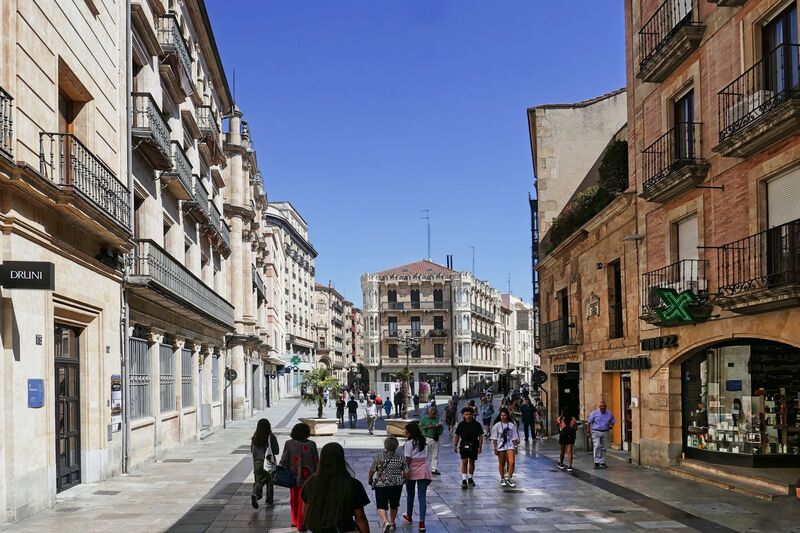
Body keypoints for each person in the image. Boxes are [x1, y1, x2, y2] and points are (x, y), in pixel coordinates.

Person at [301, 442, 370, 533]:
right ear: (341, 459)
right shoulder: (353, 485)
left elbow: (306, 510)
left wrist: (305, 526)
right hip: (344, 529)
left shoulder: (311, 483)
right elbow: (360, 518)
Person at [280, 423, 319, 529]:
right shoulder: (312, 444)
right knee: (304, 500)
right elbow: (316, 461)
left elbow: (283, 461)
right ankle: (301, 522)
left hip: (293, 477)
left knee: (294, 498)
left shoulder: (288, 444)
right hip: (308, 478)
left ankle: (294, 520)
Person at [369, 436, 408, 533]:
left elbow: (372, 470)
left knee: (381, 505)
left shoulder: (379, 456)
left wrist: (370, 479)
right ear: (396, 445)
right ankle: (392, 523)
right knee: (394, 504)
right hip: (396, 484)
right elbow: (406, 472)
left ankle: (385, 522)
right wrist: (404, 479)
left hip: (381, 483)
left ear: (385, 445)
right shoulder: (401, 457)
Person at [402, 422, 432, 532]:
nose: (404, 432)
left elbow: (408, 459)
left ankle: (409, 516)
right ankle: (422, 523)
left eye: (406, 431)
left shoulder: (409, 443)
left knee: (410, 494)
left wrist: (404, 470)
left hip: (411, 470)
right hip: (423, 469)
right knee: (422, 497)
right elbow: (426, 456)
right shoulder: (424, 441)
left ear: (410, 432)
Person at [250, 418, 279, 509]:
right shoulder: (271, 436)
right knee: (270, 482)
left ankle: (255, 494)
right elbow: (277, 451)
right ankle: (269, 501)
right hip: (268, 461)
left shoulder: (255, 436)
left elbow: (252, 450)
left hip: (257, 462)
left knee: (259, 480)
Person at [453, 408, 483, 489]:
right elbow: (457, 435)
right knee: (464, 462)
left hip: (474, 445)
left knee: (472, 462)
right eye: (466, 414)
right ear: (463, 415)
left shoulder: (477, 424)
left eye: (470, 414)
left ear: (473, 415)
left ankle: (470, 478)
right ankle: (464, 479)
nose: (468, 416)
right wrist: (455, 445)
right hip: (464, 445)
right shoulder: (461, 424)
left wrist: (480, 447)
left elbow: (480, 436)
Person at [490, 407, 520, 487]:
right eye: (501, 415)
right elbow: (494, 438)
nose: (503, 417)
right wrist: (495, 448)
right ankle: (502, 477)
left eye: (504, 415)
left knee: (512, 462)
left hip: (510, 446)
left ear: (507, 416)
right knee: (502, 463)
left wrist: (516, 446)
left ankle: (509, 478)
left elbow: (514, 436)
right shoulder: (497, 425)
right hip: (501, 446)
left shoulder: (511, 425)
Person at [588, 401, 616, 469]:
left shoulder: (609, 413)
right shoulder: (594, 413)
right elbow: (589, 422)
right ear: (599, 407)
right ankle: (596, 462)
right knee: (597, 445)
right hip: (596, 431)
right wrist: (588, 431)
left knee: (603, 447)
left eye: (604, 406)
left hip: (605, 431)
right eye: (601, 406)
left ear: (606, 407)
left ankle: (602, 462)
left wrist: (611, 426)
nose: (602, 408)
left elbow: (613, 421)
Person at [419, 406, 443, 475]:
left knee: (435, 454)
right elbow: (420, 427)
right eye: (430, 414)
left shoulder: (438, 419)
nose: (432, 415)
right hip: (427, 438)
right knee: (425, 454)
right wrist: (426, 427)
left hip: (435, 438)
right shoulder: (424, 419)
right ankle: (424, 468)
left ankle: (434, 469)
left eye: (433, 414)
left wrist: (438, 427)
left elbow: (441, 430)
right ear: (428, 413)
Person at [556, 407, 578, 473]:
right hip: (571, 437)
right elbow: (576, 428)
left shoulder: (560, 419)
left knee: (562, 451)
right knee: (570, 451)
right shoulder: (573, 419)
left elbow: (558, 426)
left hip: (563, 436)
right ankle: (570, 466)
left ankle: (561, 463)